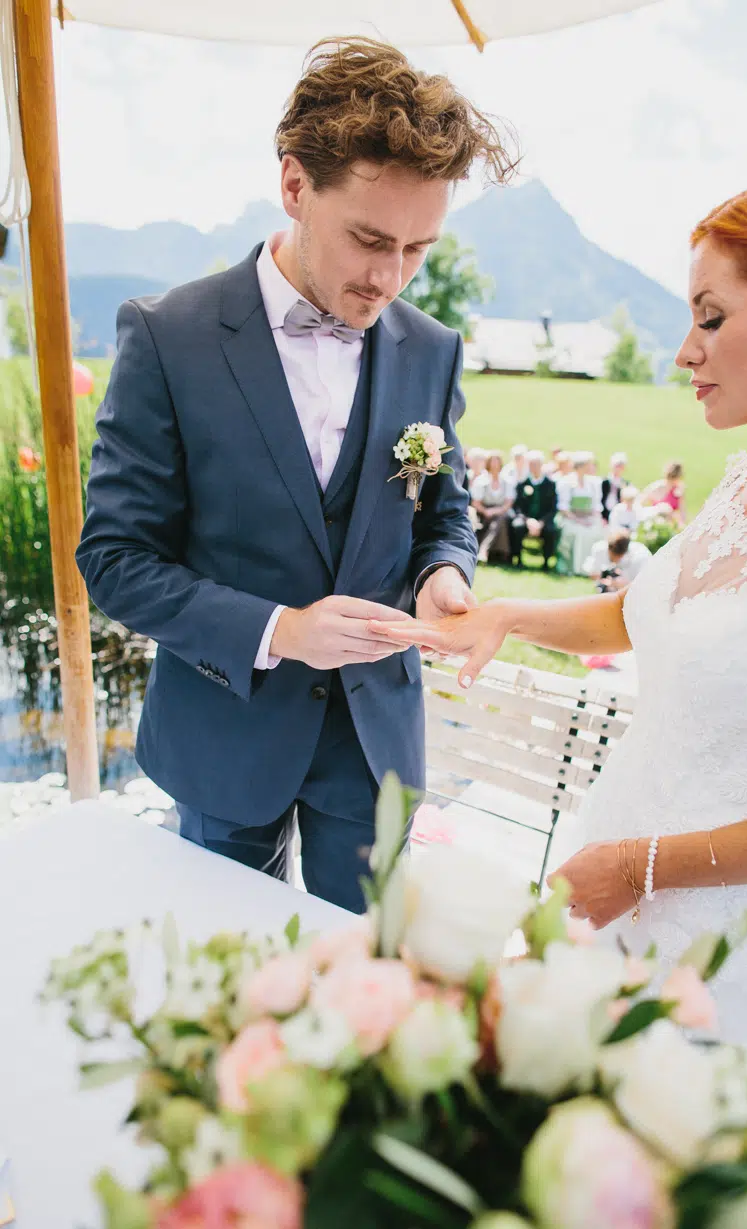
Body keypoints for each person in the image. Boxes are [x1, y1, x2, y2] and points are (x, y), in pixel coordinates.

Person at [371, 162, 747, 1101]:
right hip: (610, 878)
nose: (682, 354)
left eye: (710, 316)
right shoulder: (743, 482)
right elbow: (644, 616)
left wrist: (641, 865)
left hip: (726, 934)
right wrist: (501, 614)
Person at [76, 37, 516, 913]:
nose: (390, 277)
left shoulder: (431, 348)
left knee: (363, 988)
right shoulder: (168, 336)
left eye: (418, 249)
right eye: (368, 239)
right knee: (225, 980)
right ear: (293, 186)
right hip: (223, 735)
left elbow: (445, 510)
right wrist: (281, 628)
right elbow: (115, 558)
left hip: (375, 739)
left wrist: (442, 576)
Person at [555, 451, 604, 575]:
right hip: (570, 518)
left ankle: (591, 569)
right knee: (575, 532)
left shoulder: (594, 483)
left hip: (588, 518)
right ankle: (573, 567)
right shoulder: (566, 482)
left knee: (596, 532)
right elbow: (564, 508)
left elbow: (596, 506)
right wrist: (579, 520)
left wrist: (592, 519)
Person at [509, 450, 560, 570]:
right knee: (517, 526)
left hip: (543, 520)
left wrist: (541, 522)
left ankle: (547, 562)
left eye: (537, 464)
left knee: (551, 530)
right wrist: (528, 520)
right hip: (526, 518)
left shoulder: (550, 484)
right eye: (531, 464)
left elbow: (553, 508)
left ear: (542, 465)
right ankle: (517, 559)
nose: (534, 467)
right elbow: (518, 507)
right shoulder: (522, 483)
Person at [471, 450, 515, 563]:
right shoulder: (481, 480)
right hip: (483, 511)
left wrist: (497, 510)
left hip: (502, 511)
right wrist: (486, 511)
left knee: (499, 519)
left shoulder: (507, 480)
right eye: (492, 461)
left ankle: (484, 549)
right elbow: (476, 502)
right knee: (496, 521)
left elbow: (509, 502)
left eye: (497, 461)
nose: (495, 464)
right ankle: (499, 553)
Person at [583, 528, 651, 592]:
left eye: (616, 557)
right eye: (611, 557)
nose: (614, 560)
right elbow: (591, 573)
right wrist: (603, 576)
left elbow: (644, 586)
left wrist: (624, 584)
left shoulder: (641, 556)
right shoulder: (599, 549)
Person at [641, 460, 687, 527]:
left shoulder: (678, 490)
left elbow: (683, 512)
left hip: (671, 525)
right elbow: (640, 503)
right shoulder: (656, 487)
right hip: (656, 524)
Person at [601, 452, 628, 522]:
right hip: (603, 515)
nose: (618, 469)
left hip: (617, 517)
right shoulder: (603, 482)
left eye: (621, 466)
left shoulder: (625, 484)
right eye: (617, 466)